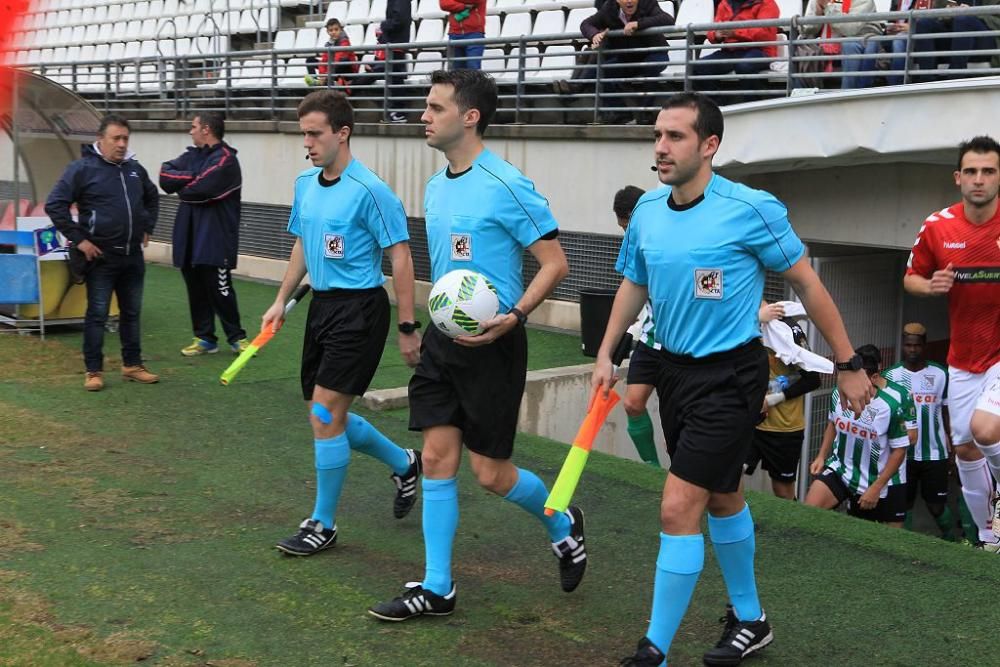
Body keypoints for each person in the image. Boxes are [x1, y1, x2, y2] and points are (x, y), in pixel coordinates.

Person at [594, 92, 872, 667]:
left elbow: (809, 285)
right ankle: (751, 620)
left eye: (675, 137)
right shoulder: (646, 210)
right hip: (675, 374)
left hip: (732, 377)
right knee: (721, 495)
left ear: (710, 145)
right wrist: (606, 352)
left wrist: (847, 363)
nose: (661, 147)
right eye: (658, 136)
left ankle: (654, 650)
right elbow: (633, 284)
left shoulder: (752, 208)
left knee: (677, 507)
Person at [368, 70, 583, 622]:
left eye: (435, 107)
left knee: (490, 474)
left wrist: (515, 315)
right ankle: (438, 586)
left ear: (470, 117)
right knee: (438, 458)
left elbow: (556, 263)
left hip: (495, 344)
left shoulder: (507, 183)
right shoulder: (436, 186)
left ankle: (562, 522)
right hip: (444, 344)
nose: (424, 116)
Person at [263, 90, 423, 557]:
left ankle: (323, 523)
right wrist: (279, 300)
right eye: (304, 134)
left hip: (360, 310)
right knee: (323, 412)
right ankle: (403, 463)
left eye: (315, 134)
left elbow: (400, 255)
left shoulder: (372, 190)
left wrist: (408, 325)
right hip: (321, 310)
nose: (307, 143)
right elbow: (302, 244)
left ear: (342, 133)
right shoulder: (304, 183)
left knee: (325, 414)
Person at [904, 135, 1000, 552]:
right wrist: (930, 286)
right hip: (963, 359)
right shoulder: (938, 226)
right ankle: (988, 537)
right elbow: (910, 279)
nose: (980, 180)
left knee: (985, 430)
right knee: (963, 448)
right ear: (959, 178)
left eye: (989, 171)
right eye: (972, 172)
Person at [45, 114, 160, 392]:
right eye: (116, 138)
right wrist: (80, 240)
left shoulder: (134, 169)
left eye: (125, 139)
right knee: (97, 314)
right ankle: (93, 370)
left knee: (131, 312)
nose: (121, 144)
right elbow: (55, 205)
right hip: (101, 257)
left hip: (132, 256)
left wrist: (147, 226)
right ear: (101, 139)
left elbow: (152, 196)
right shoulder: (81, 169)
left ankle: (132, 365)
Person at [159, 112, 248, 357]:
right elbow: (165, 176)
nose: (191, 131)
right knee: (195, 288)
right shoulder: (191, 156)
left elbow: (202, 190)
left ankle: (237, 337)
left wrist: (185, 184)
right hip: (188, 235)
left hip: (215, 238)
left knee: (220, 288)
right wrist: (192, 177)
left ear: (206, 129)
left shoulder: (227, 160)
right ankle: (205, 338)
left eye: (193, 126)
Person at [805, 345, 911, 528]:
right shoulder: (838, 394)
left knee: (887, 545)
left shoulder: (890, 406)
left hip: (877, 482)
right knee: (805, 516)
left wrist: (877, 487)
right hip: (841, 470)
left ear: (874, 377)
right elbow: (832, 423)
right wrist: (822, 456)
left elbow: (900, 450)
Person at [882, 322, 955, 539]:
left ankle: (953, 540)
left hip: (935, 452)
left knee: (936, 506)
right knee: (904, 504)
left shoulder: (941, 374)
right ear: (903, 346)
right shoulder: (890, 376)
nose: (912, 350)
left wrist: (953, 445)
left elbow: (947, 411)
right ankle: (908, 545)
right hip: (902, 454)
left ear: (924, 345)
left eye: (917, 345)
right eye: (908, 345)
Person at [749, 314, 822, 500]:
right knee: (730, 475)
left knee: (782, 490)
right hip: (750, 423)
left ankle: (790, 529)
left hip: (784, 429)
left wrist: (772, 399)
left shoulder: (788, 330)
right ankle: (738, 524)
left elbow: (813, 380)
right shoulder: (744, 324)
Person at [614, 185, 660, 466]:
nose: (625, 234)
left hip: (683, 345)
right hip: (650, 339)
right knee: (632, 403)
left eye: (627, 226)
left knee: (678, 430)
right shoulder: (634, 247)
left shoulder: (664, 237)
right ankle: (654, 471)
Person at [577, 0, 674, 124]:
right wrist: (594, 34)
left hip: (653, 53)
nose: (629, 1)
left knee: (651, 67)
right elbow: (586, 24)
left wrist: (639, 24)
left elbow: (668, 19)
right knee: (598, 74)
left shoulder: (647, 3)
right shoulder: (609, 8)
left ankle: (645, 113)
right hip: (627, 58)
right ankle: (621, 114)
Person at [691, 0, 778, 97]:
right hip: (730, 51)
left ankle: (752, 103)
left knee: (745, 66)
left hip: (760, 50)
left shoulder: (767, 3)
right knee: (697, 67)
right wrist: (716, 35)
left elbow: (765, 34)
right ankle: (716, 105)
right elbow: (712, 31)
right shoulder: (724, 3)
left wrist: (736, 33)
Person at [798, 0, 882, 89]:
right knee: (800, 51)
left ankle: (848, 96)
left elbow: (850, 28)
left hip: (855, 47)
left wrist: (827, 7)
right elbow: (807, 30)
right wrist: (817, 15)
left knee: (849, 45)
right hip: (821, 53)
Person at [378, 0, 411, 122]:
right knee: (394, 78)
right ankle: (396, 110)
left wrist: (384, 25)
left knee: (396, 78)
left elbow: (399, 20)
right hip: (395, 43)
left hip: (396, 43)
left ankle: (399, 111)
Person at [305, 18, 360, 89]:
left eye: (336, 29)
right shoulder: (329, 43)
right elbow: (324, 61)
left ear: (341, 30)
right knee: (310, 60)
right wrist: (322, 75)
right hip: (332, 71)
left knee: (343, 60)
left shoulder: (345, 41)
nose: (333, 32)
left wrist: (326, 74)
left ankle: (324, 81)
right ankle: (317, 83)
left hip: (347, 72)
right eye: (331, 30)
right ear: (327, 32)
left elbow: (337, 60)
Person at [440, 0, 487, 70]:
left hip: (474, 34)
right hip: (454, 34)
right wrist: (464, 6)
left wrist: (454, 3)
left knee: (473, 67)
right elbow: (443, 4)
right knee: (456, 70)